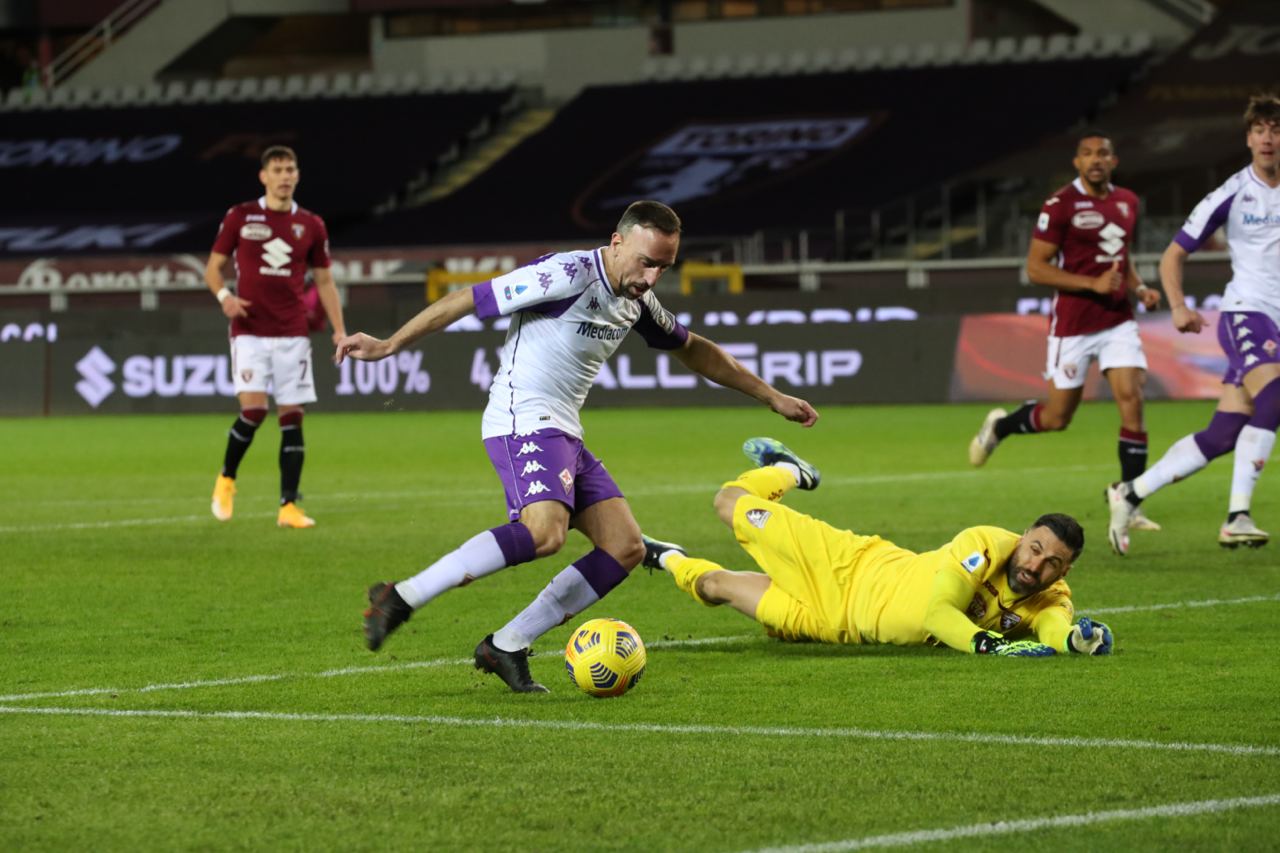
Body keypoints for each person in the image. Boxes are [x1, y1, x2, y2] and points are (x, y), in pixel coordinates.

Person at [337, 200, 819, 692]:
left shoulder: (636, 301)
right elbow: (470, 298)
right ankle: (401, 596)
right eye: (646, 261)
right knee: (544, 532)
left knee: (624, 547)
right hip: (522, 416)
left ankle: (506, 644)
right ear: (617, 242)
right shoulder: (565, 274)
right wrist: (390, 344)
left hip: (562, 429)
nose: (652, 277)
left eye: (664, 267)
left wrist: (772, 396)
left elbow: (695, 350)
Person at [644, 437, 1114, 657]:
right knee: (728, 502)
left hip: (832, 624)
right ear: (1023, 536)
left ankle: (665, 556)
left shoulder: (1051, 598)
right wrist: (987, 645)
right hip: (846, 566)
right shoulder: (986, 545)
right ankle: (792, 472)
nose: (1036, 565)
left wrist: (1075, 640)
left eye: (1053, 563)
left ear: (1063, 573)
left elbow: (1054, 626)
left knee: (713, 586)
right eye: (1035, 549)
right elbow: (937, 613)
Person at [1107, 94, 1280, 554]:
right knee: (1276, 396)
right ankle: (1236, 515)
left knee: (1222, 434)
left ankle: (1131, 492)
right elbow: (1173, 254)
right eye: (1260, 129)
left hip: (1277, 324)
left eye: (1276, 129)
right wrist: (1179, 305)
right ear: (1248, 139)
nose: (1268, 138)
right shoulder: (1230, 194)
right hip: (1247, 314)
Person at [968, 130, 1163, 531]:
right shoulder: (1060, 205)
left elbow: (1120, 259)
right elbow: (1036, 267)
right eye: (1087, 153)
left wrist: (1139, 288)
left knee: (1132, 398)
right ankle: (1001, 426)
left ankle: (1129, 498)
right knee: (1057, 417)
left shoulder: (1127, 202)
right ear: (1077, 162)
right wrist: (1090, 284)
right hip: (1074, 325)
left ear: (1114, 161)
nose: (1095, 159)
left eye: (1103, 153)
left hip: (1118, 320)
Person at [207, 145, 346, 529]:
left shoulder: (312, 225)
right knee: (253, 411)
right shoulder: (240, 216)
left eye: (290, 169)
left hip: (292, 333)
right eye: (278, 170)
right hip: (249, 331)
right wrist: (225, 298)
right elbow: (213, 270)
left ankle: (288, 507)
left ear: (297, 175)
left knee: (292, 419)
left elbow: (324, 281)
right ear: (264, 176)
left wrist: (339, 329)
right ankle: (227, 479)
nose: (285, 176)